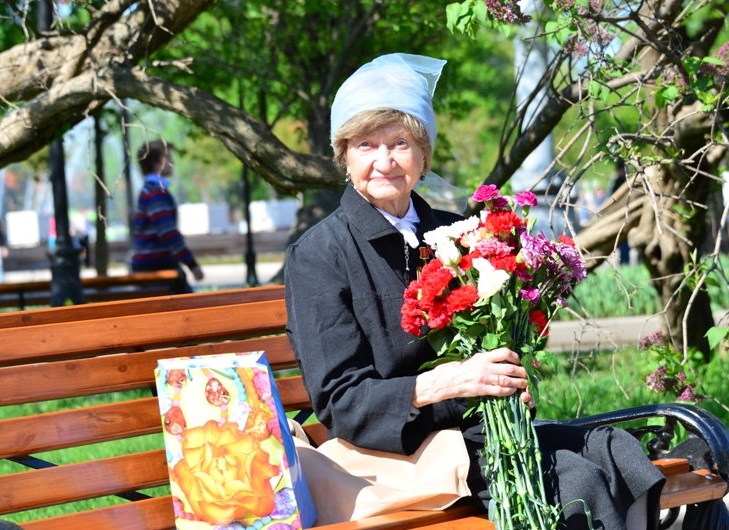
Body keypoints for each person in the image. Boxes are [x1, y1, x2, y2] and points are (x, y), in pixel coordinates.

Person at [284, 53, 664, 529]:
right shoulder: (320, 254)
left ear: (424, 156)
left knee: (617, 451)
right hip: (396, 452)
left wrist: (505, 379)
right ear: (345, 156)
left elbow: (494, 340)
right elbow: (340, 403)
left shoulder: (458, 232)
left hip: (476, 430)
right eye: (366, 145)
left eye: (401, 143)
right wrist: (453, 382)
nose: (385, 161)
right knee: (573, 479)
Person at [131, 139, 203, 294]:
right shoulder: (156, 192)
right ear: (156, 163)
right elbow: (168, 232)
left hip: (152, 264)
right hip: (156, 266)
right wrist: (192, 264)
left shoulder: (149, 190)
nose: (172, 162)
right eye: (168, 158)